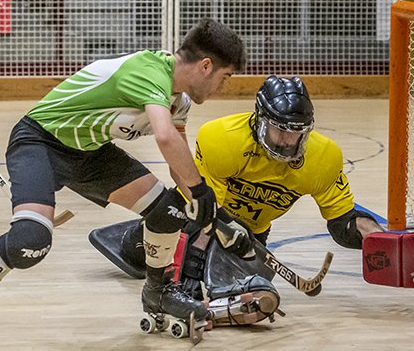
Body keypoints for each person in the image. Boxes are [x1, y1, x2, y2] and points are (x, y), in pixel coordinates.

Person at [0, 19, 247, 351]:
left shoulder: (179, 101)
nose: (222, 87)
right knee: (30, 241)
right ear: (205, 66)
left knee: (169, 211)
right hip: (39, 141)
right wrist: (201, 192)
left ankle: (159, 291)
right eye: (225, 77)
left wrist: (214, 216)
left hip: (89, 153)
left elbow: (179, 162)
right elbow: (165, 137)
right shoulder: (149, 71)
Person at [89, 75, 386, 325]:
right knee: (144, 250)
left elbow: (342, 221)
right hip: (203, 215)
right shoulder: (222, 138)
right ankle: (142, 237)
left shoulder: (324, 157)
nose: (287, 141)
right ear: (260, 121)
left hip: (251, 234)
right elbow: (206, 213)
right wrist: (190, 280)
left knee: (238, 286)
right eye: (279, 130)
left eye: (296, 134)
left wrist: (376, 237)